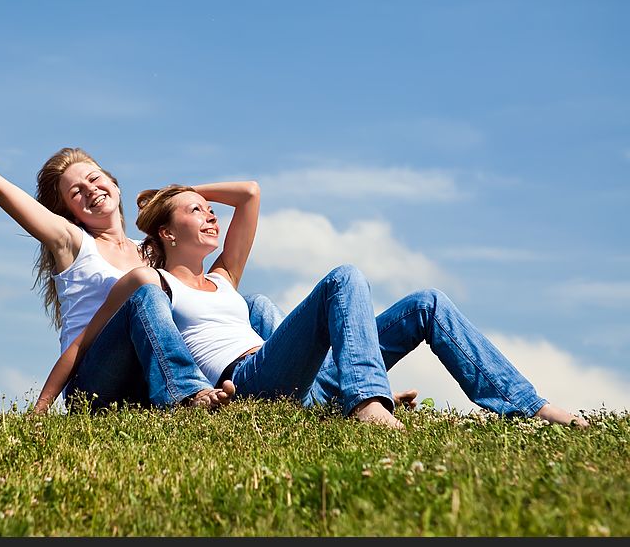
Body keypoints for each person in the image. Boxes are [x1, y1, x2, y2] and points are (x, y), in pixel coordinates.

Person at [43, 183, 590, 429]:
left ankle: (526, 405)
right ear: (165, 231)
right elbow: (82, 346)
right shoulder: (153, 285)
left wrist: (180, 187)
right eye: (196, 210)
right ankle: (366, 404)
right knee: (344, 277)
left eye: (211, 210)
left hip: (307, 376)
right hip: (256, 380)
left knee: (426, 302)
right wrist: (41, 412)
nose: (212, 216)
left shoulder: (227, 279)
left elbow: (251, 193)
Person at [0, 112, 243, 412]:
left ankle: (232, 387)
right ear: (70, 212)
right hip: (94, 381)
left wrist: (169, 197)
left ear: (115, 184)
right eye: (77, 192)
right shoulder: (72, 243)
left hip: (142, 383)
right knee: (144, 293)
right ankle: (188, 395)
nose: (91, 191)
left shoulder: (151, 251)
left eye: (95, 180)